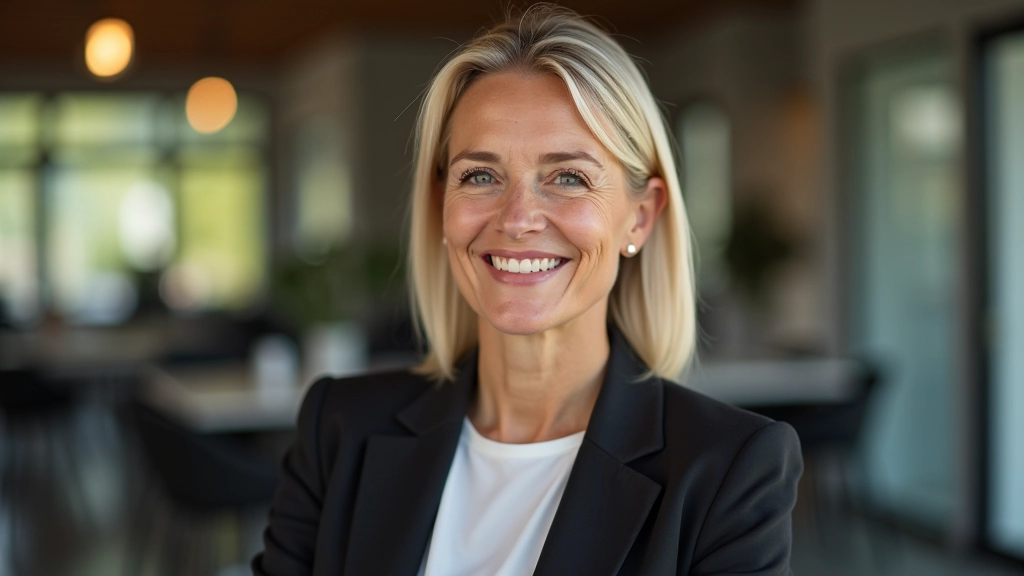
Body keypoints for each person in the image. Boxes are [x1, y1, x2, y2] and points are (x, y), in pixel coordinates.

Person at [253, 5, 803, 575]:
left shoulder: (727, 468)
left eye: (568, 177)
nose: (517, 219)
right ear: (442, 207)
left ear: (640, 217)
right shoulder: (338, 428)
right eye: (480, 176)